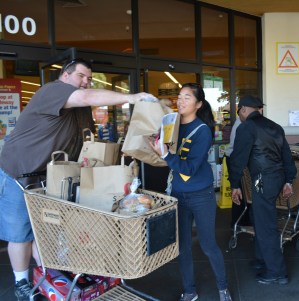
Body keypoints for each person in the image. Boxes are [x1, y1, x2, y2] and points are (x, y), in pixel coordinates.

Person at [0, 58, 154, 301]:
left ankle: (46, 275)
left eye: (89, 79)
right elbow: (84, 97)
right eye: (82, 76)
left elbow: (87, 142)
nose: (86, 82)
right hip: (19, 171)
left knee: (45, 231)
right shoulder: (53, 90)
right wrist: (133, 97)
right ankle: (21, 282)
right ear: (65, 75)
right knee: (20, 232)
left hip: (50, 176)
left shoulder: (80, 108)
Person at [150, 83, 232, 301]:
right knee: (183, 246)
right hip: (179, 194)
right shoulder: (172, 126)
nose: (181, 101)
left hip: (201, 195)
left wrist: (166, 155)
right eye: (179, 97)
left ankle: (223, 288)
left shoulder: (203, 131)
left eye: (187, 97)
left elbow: (190, 168)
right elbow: (169, 158)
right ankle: (189, 290)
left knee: (208, 244)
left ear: (198, 104)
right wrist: (156, 148)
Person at [228, 95, 296, 285]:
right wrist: (289, 180)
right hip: (277, 179)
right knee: (260, 219)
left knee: (265, 225)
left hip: (262, 180)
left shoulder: (246, 127)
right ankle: (262, 259)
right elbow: (287, 157)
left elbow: (238, 159)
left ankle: (277, 272)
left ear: (242, 110)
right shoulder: (275, 126)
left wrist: (234, 184)